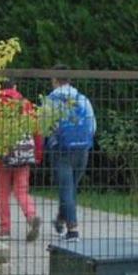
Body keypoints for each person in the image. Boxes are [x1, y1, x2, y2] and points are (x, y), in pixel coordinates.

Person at [0, 80, 42, 242]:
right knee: (21, 190)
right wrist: (37, 153)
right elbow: (36, 130)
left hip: (2, 154)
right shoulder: (26, 104)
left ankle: (5, 228)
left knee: (3, 192)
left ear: (0, 88)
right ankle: (31, 216)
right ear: (15, 87)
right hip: (23, 154)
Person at [46, 71, 96, 240]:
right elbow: (92, 125)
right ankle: (61, 218)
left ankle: (73, 230)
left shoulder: (52, 100)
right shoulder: (83, 99)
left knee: (66, 188)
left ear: (55, 80)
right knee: (70, 187)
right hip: (83, 150)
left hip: (62, 150)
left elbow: (45, 125)